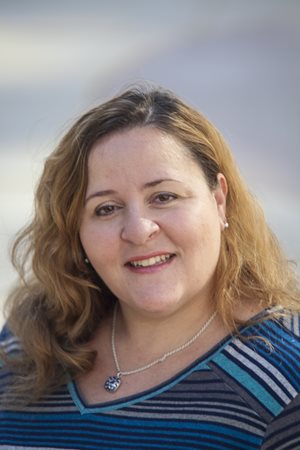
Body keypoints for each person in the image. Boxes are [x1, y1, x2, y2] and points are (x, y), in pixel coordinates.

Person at [0, 84, 299, 450]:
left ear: (219, 200)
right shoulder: (23, 347)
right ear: (76, 233)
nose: (139, 230)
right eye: (106, 208)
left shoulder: (286, 381)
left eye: (164, 197)